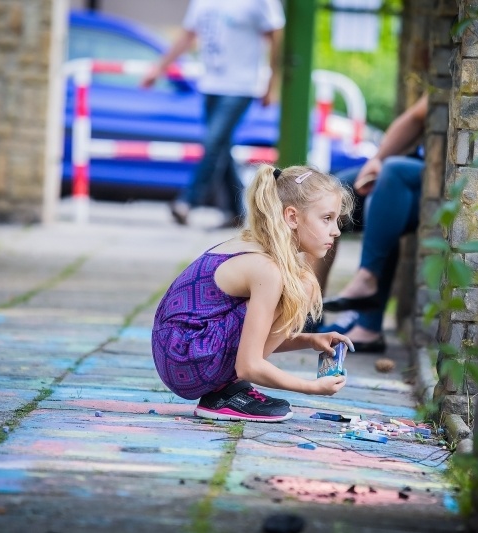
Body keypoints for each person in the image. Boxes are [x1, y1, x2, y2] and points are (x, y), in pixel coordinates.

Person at [151, 165, 356, 423]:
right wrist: (313, 387)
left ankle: (227, 390)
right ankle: (225, 396)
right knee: (301, 286)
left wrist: (310, 340)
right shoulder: (267, 270)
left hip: (180, 354)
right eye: (326, 218)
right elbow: (248, 364)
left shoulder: (258, 246)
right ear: (292, 217)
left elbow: (253, 337)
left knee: (300, 282)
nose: (336, 230)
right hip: (186, 359)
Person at [141, 0, 285, 228]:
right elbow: (187, 35)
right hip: (210, 85)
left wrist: (272, 81)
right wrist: (160, 68)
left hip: (241, 86)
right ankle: (238, 211)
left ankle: (188, 201)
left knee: (213, 141)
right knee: (220, 148)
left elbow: (277, 35)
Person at [317, 95, 429, 353]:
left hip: (434, 180)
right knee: (330, 193)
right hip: (407, 168)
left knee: (392, 177)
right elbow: (414, 117)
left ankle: (368, 314)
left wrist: (385, 164)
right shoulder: (443, 84)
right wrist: (376, 159)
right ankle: (310, 312)